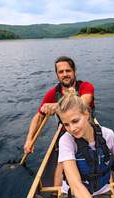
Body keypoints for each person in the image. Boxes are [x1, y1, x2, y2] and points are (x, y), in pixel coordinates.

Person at [23, 56, 95, 186]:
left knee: (101, 153)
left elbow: (85, 101)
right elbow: (38, 117)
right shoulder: (52, 93)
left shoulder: (86, 86)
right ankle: (55, 195)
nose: (65, 74)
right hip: (66, 131)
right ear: (57, 75)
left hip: (88, 129)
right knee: (61, 162)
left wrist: (56, 106)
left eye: (68, 70)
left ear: (74, 72)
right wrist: (29, 139)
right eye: (61, 72)